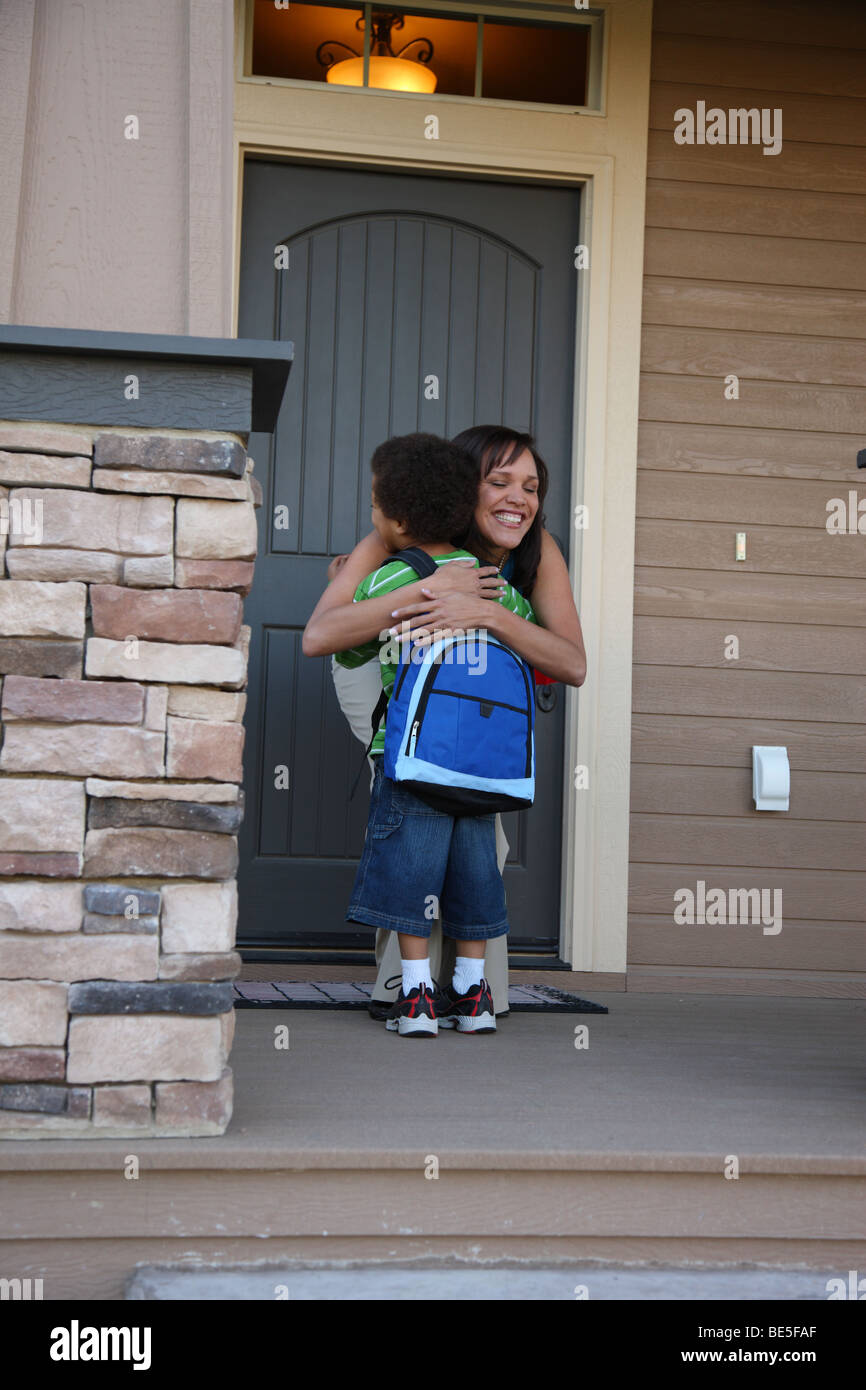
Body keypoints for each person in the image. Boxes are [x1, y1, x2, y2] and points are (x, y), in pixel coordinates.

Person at [305, 425, 587, 1015]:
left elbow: (572, 662)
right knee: (419, 810)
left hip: (474, 691)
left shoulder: (540, 551)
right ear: (463, 488)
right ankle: (404, 987)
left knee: (482, 832)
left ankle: (475, 989)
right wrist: (431, 589)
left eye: (532, 486)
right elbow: (325, 633)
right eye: (500, 481)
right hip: (382, 678)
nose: (520, 498)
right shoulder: (409, 529)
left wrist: (485, 611)